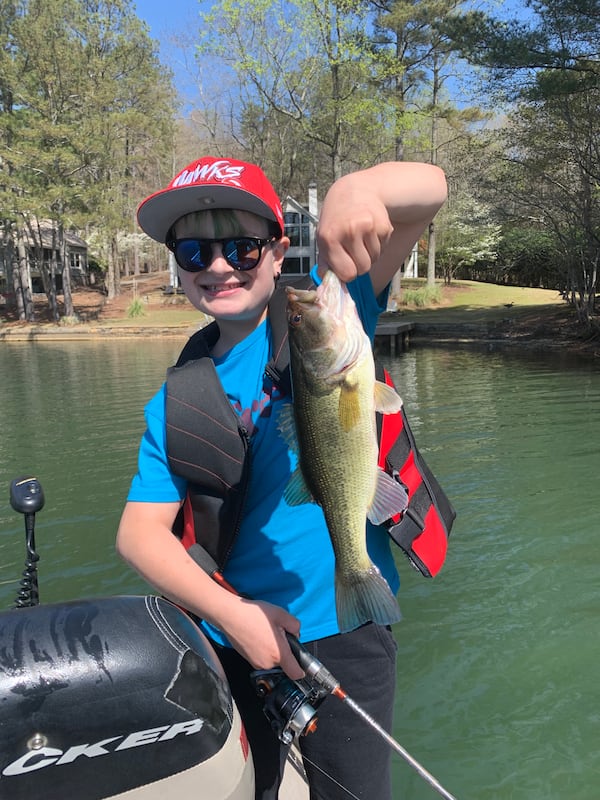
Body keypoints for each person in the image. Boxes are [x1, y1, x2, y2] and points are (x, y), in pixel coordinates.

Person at [116, 156, 447, 800]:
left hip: (344, 635)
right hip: (239, 643)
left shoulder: (328, 315)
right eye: (193, 249)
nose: (218, 265)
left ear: (278, 251)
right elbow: (138, 535)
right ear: (177, 264)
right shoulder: (175, 399)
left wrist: (360, 188)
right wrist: (234, 617)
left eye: (241, 246)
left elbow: (429, 192)